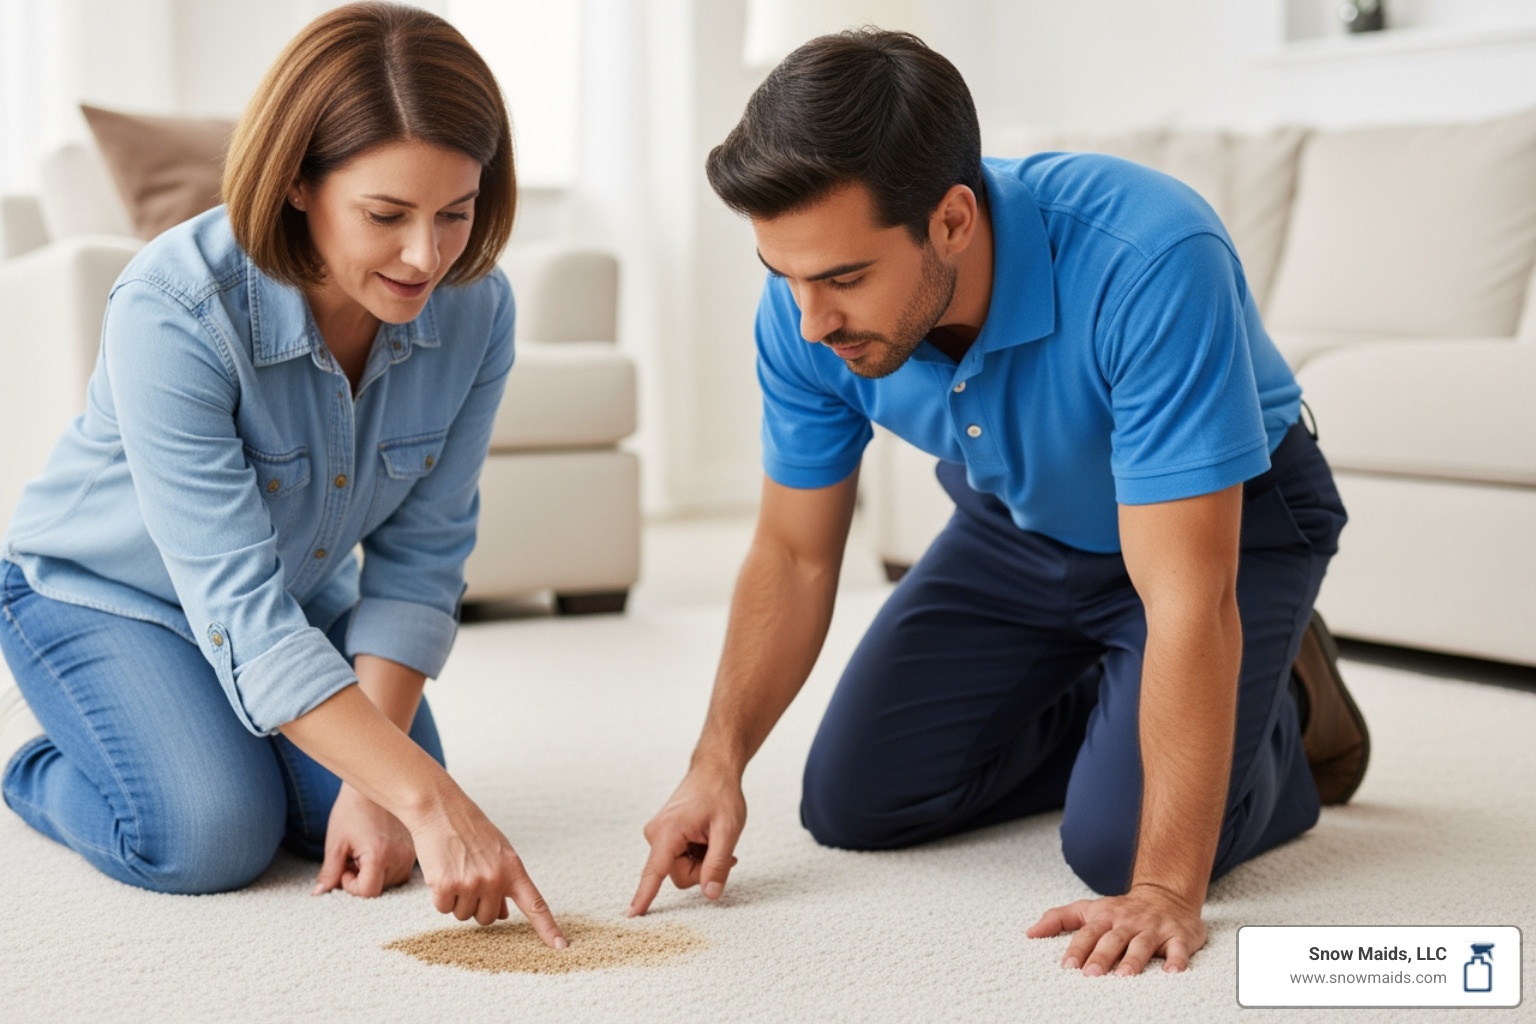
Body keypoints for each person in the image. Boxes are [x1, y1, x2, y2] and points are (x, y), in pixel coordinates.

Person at [629, 30, 1368, 976]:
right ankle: (1124, 701)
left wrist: (1164, 888)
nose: (811, 322)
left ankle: (1289, 708)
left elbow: (1187, 595)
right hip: (1020, 521)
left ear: (952, 221)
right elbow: (794, 554)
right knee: (857, 803)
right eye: (788, 276)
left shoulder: (1151, 256)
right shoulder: (804, 315)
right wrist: (716, 763)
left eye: (845, 278)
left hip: (1227, 533)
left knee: (1120, 852)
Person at [0, 2, 565, 947]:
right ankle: (37, 763)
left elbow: (422, 558)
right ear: (299, 181)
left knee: (349, 817)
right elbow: (236, 605)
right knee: (212, 836)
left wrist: (382, 791)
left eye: (455, 213)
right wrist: (430, 799)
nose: (426, 256)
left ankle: (223, 734)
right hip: (100, 592)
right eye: (386, 215)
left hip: (292, 594)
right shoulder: (173, 306)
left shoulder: (478, 309)